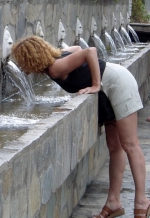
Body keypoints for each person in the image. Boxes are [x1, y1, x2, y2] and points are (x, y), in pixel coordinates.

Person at [10, 35, 150, 218]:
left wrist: (95, 85)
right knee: (115, 146)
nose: (20, 66)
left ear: (31, 58)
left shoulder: (55, 68)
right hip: (110, 86)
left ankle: (142, 201)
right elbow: (75, 49)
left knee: (130, 144)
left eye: (21, 61)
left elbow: (89, 51)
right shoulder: (58, 59)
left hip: (117, 83)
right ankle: (114, 202)